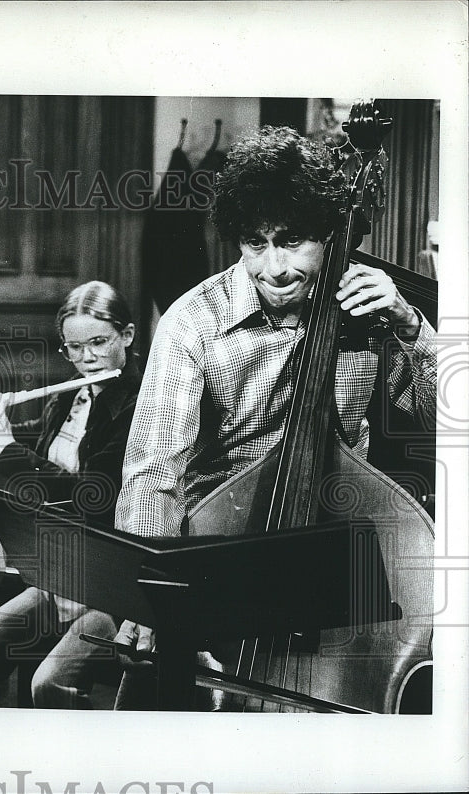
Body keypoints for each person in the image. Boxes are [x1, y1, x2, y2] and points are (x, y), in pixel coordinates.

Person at [111, 126, 436, 708]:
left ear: (330, 236)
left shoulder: (367, 309)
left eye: (294, 241)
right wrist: (157, 602)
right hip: (215, 560)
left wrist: (411, 325)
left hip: (339, 555)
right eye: (255, 243)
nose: (274, 266)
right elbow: (152, 472)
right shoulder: (195, 321)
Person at [0, 281, 142, 708]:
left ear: (126, 336)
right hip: (59, 572)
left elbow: (93, 495)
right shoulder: (74, 395)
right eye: (73, 347)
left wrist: (5, 445)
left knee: (48, 684)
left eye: (98, 343)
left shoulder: (140, 407)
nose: (86, 358)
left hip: (110, 583)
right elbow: (41, 451)